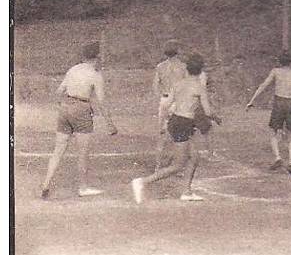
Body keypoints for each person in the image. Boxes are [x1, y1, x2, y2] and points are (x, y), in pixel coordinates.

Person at [131, 54, 217, 203]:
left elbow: (166, 105)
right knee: (178, 165)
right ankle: (142, 182)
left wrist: (165, 121)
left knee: (194, 158)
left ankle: (186, 192)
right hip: (184, 123)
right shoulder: (199, 87)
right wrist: (216, 117)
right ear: (201, 70)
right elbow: (208, 112)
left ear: (187, 69)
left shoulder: (178, 84)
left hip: (176, 121)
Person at [41, 41, 118, 199]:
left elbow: (59, 90)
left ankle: (46, 184)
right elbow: (101, 102)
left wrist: (63, 106)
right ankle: (83, 187)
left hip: (65, 107)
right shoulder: (96, 75)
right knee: (82, 153)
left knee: (58, 150)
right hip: (82, 109)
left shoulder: (73, 69)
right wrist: (110, 124)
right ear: (96, 57)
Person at [246, 53, 291, 174]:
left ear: (279, 62)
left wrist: (251, 100)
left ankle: (278, 157)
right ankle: (290, 162)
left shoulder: (275, 71)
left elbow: (264, 85)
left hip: (279, 102)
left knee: (274, 132)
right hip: (290, 102)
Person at [151, 40, 187, 171]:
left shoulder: (160, 66)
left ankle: (158, 166)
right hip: (178, 102)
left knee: (162, 135)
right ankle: (177, 166)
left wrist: (161, 99)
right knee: (180, 136)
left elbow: (155, 86)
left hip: (165, 100)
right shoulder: (183, 67)